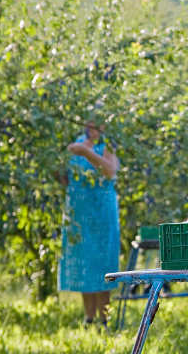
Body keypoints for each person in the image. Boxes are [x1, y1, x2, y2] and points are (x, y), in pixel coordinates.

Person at [58, 120, 120, 329]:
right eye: (89, 124)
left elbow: (110, 172)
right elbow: (65, 178)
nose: (92, 128)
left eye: (96, 125)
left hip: (102, 211)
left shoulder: (108, 146)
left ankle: (105, 320)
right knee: (85, 262)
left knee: (103, 261)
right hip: (79, 212)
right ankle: (88, 318)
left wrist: (86, 153)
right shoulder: (76, 144)